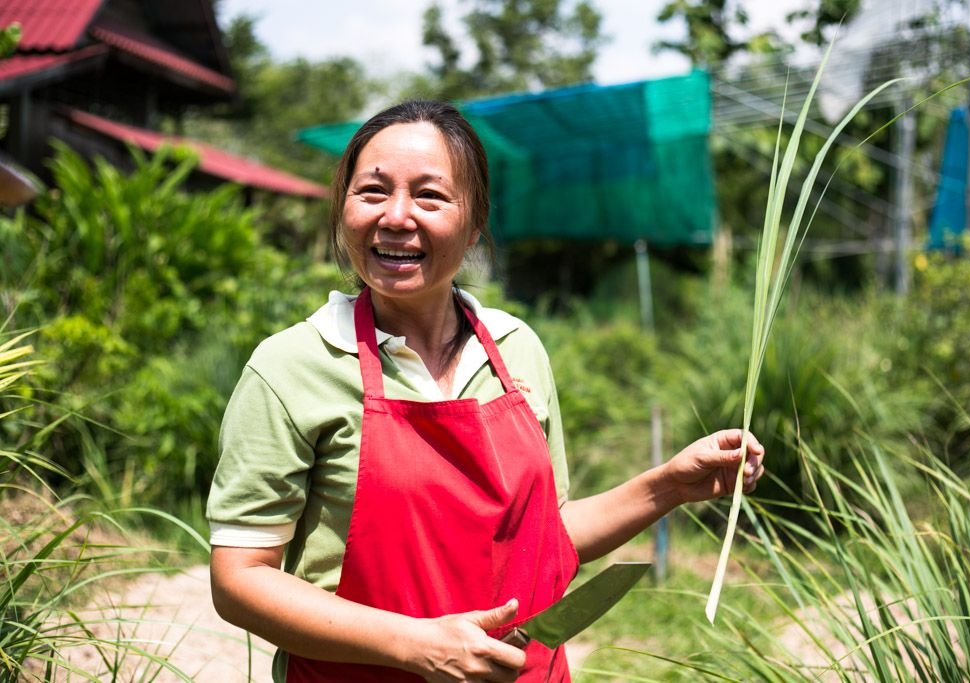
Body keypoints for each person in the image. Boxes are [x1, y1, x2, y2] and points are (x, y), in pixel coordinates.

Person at [207, 100, 765, 683]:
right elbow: (240, 579)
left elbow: (545, 536)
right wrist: (413, 645)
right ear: (342, 208)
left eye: (429, 195)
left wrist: (670, 484)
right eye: (372, 191)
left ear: (474, 223)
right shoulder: (293, 367)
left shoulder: (516, 347)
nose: (397, 216)